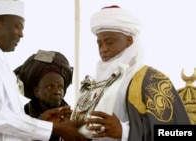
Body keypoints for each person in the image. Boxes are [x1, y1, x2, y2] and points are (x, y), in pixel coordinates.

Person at [0, 0, 86, 141]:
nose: (21, 34)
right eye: (18, 27)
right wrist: (51, 128)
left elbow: (7, 121)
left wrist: (41, 121)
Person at [70, 5, 191, 141]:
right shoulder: (95, 85)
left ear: (129, 41)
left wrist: (124, 131)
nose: (103, 49)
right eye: (99, 44)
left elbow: (181, 132)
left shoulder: (152, 80)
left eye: (109, 42)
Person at [14, 49, 74, 141]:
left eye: (60, 87)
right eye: (50, 87)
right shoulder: (21, 117)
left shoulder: (72, 117)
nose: (57, 91)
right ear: (36, 91)